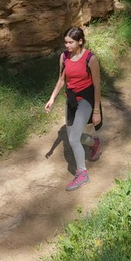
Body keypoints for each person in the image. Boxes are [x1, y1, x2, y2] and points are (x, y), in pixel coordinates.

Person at [45, 27, 102, 191]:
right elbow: (61, 80)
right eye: (65, 42)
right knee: (74, 136)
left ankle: (82, 174)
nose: (67, 45)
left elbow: (97, 86)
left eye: (71, 42)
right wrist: (52, 98)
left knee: (73, 139)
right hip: (71, 99)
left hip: (86, 99)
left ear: (80, 41)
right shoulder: (64, 57)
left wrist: (96, 111)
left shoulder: (90, 59)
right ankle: (94, 143)